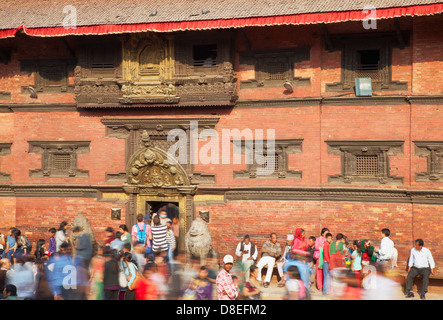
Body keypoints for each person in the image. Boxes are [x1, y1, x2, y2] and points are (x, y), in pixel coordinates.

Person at [314, 227, 329, 292]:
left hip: (326, 257)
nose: (327, 234)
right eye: (326, 232)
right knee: (319, 272)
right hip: (320, 257)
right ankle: (320, 286)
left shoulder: (328, 239)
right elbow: (316, 247)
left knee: (325, 272)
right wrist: (323, 248)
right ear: (322, 233)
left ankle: (324, 286)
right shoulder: (319, 239)